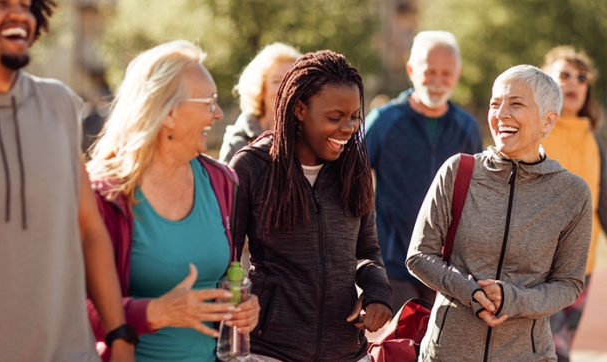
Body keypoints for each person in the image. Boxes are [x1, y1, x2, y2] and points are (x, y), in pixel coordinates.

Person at [0, 0, 133, 361]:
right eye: (0, 3)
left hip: (71, 353)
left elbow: (88, 228)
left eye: (25, 5)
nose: (19, 14)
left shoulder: (59, 104)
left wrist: (121, 336)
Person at [85, 40, 260, 362]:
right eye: (209, 102)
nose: (218, 114)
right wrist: (153, 312)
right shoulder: (103, 192)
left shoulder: (222, 181)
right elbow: (72, 308)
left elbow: (227, 277)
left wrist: (245, 304)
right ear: (167, 112)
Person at [407, 64, 592, 361]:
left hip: (528, 355)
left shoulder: (572, 193)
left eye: (516, 104)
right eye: (495, 103)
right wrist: (470, 292)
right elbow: (419, 255)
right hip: (447, 352)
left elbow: (568, 284)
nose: (500, 113)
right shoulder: (458, 171)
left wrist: (513, 299)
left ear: (548, 121)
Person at [230, 50, 393, 362]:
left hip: (346, 351)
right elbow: (227, 259)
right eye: (334, 117)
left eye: (354, 116)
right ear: (300, 109)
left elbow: (367, 251)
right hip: (270, 351)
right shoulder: (252, 166)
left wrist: (378, 294)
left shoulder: (354, 167)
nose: (347, 128)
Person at [364, 30, 482, 309]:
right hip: (393, 264)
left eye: (446, 73)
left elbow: (479, 192)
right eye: (429, 72)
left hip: (448, 269)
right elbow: (350, 178)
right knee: (395, 349)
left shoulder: (467, 127)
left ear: (458, 72)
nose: (438, 82)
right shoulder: (383, 120)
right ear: (411, 69)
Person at [541, 45, 607, 362]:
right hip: (540, 264)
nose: (573, 83)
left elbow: (603, 202)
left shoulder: (594, 140)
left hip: (584, 265)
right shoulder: (536, 131)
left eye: (581, 77)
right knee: (549, 348)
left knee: (564, 344)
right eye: (563, 75)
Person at [218, 42, 301, 163]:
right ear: (261, 87)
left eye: (292, 80)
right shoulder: (238, 141)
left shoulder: (309, 136)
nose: (285, 88)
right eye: (277, 81)